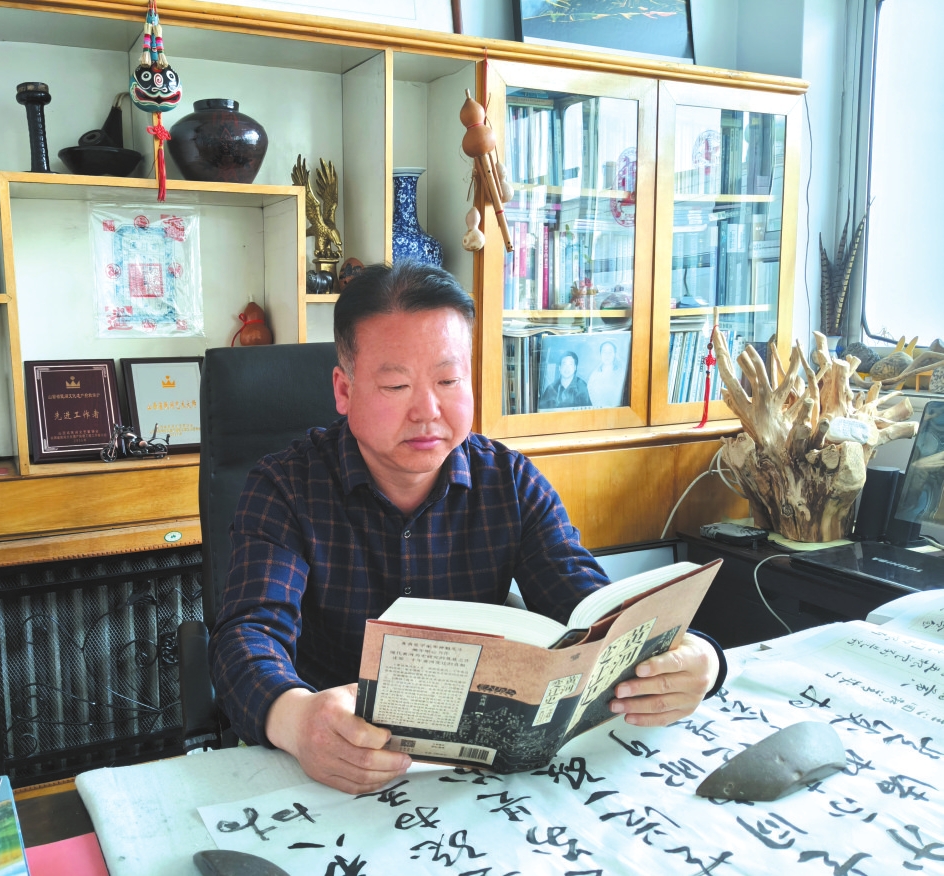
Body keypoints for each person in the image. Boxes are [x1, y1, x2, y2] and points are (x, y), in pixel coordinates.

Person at [208, 262, 725, 794]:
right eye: (396, 385)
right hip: (337, 768)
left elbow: (595, 610)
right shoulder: (286, 487)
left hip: (474, 776)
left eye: (449, 380)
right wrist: (298, 721)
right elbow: (248, 634)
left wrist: (698, 658)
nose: (427, 411)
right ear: (344, 390)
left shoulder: (509, 482)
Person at [587, 339, 627, 409]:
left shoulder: (622, 374)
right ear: (600, 354)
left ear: (614, 354)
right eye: (604, 352)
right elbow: (592, 395)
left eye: (610, 352)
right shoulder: (593, 376)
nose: (607, 355)